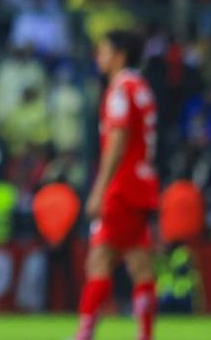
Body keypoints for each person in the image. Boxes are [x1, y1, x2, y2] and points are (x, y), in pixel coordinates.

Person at [74, 30, 160, 340]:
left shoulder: (120, 90)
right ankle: (145, 334)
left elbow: (118, 139)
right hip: (142, 183)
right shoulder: (142, 87)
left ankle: (84, 333)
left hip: (121, 187)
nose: (99, 56)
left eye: (104, 50)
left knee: (99, 258)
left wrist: (99, 188)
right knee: (139, 263)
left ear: (121, 55)